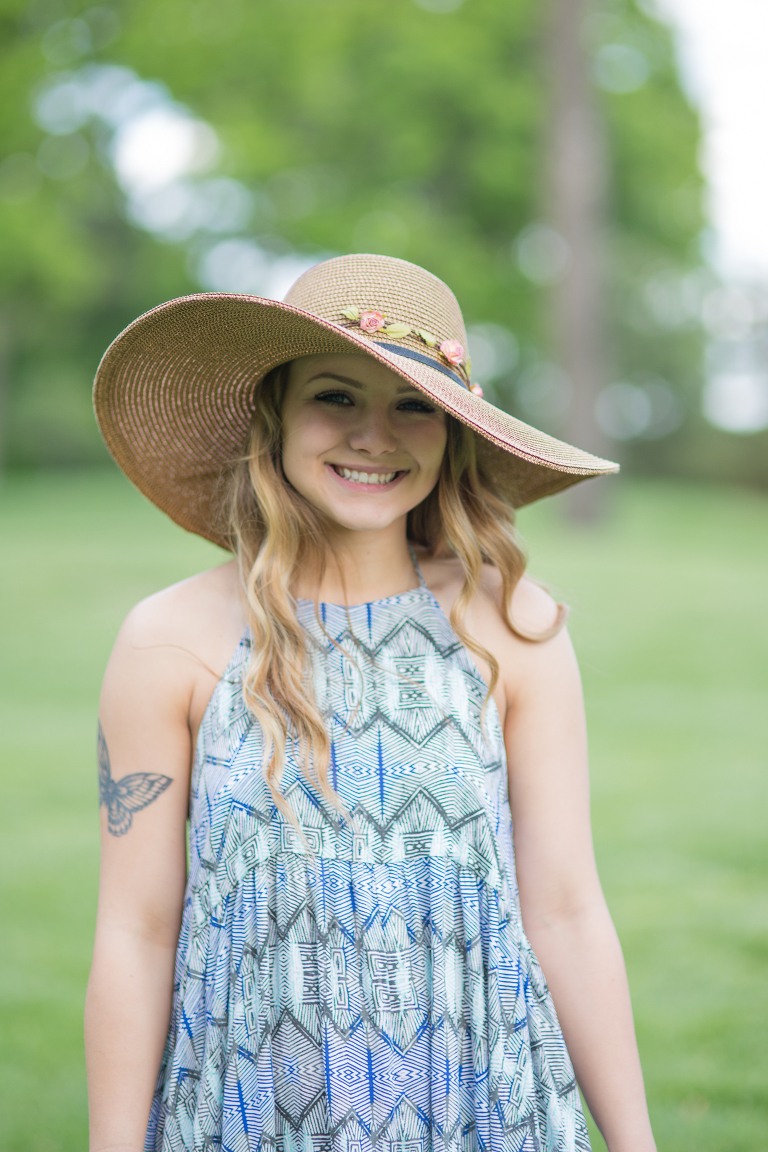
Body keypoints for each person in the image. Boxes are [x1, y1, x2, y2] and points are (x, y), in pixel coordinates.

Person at [85, 253, 656, 1152]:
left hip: (472, 1091)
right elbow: (137, 931)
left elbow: (566, 907)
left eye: (413, 405)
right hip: (255, 1100)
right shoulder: (170, 640)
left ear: (452, 430)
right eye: (337, 397)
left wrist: (636, 1143)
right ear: (273, 414)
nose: (375, 436)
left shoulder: (511, 626)